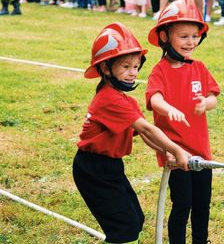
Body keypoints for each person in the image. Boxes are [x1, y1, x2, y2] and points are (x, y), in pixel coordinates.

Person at [73, 22, 191, 244]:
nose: (132, 73)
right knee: (124, 228)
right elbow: (147, 128)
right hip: (93, 169)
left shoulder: (124, 99)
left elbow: (144, 134)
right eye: (126, 66)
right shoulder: (109, 99)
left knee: (135, 219)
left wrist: (165, 151)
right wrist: (177, 149)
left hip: (110, 167)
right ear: (106, 68)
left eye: (136, 67)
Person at [146, 0, 220, 244]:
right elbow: (154, 99)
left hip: (202, 151)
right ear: (165, 37)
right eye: (184, 36)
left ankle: (201, 240)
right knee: (183, 204)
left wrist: (205, 103)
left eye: (195, 36)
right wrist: (168, 108)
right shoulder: (160, 71)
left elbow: (213, 97)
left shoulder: (199, 67)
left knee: (202, 203)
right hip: (175, 152)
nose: (191, 42)